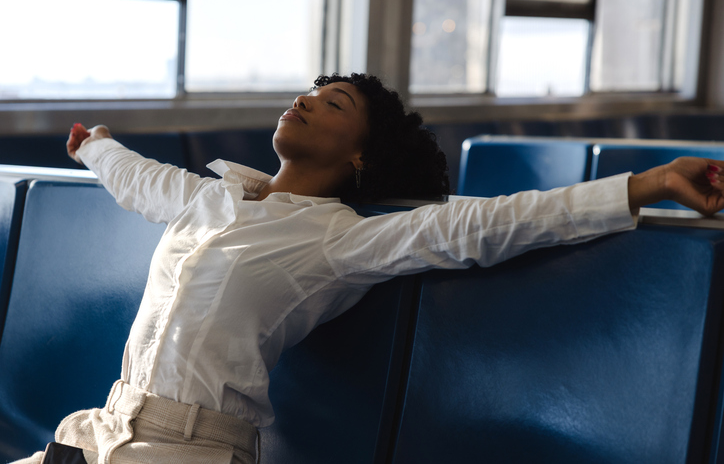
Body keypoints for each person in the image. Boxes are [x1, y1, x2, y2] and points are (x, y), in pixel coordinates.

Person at [15, 73, 724, 464]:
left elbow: (491, 224)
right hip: (99, 429)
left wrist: (652, 182)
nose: (305, 98)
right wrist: (95, 147)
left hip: (189, 453)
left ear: (359, 156)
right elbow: (140, 180)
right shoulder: (209, 198)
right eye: (311, 89)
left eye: (333, 103)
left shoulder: (341, 240)